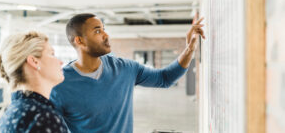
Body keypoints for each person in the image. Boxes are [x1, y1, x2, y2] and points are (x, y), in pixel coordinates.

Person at [50, 13, 205, 133]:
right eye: (97, 31)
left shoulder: (125, 68)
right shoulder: (58, 84)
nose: (106, 35)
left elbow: (165, 78)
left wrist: (189, 49)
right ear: (80, 41)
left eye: (104, 29)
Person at [0, 31, 69, 133]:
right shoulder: (44, 118)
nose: (60, 62)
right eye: (52, 54)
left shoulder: (11, 113)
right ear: (34, 61)